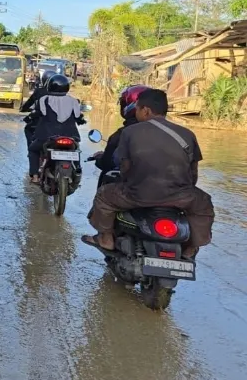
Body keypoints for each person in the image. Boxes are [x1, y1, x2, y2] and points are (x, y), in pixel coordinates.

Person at [83, 89, 214, 258]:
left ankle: (106, 238)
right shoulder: (187, 134)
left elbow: (125, 168)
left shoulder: (130, 132)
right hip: (181, 196)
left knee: (103, 196)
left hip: (138, 195)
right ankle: (191, 248)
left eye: (137, 109)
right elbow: (193, 173)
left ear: (146, 110)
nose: (136, 112)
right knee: (204, 205)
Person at [26, 74, 85, 183]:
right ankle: (77, 171)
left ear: (50, 86)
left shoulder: (44, 100)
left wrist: (30, 117)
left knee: (33, 149)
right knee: (76, 150)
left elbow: (38, 113)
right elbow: (78, 117)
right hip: (70, 136)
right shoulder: (73, 101)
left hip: (47, 136)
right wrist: (81, 120)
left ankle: (35, 176)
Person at [94, 85, 147, 186]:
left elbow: (107, 164)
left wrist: (98, 158)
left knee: (107, 176)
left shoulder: (121, 134)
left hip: (132, 191)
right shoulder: (169, 133)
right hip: (162, 191)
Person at [20, 73, 50, 145]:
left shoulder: (39, 91)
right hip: (60, 127)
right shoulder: (65, 97)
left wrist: (25, 110)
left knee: (28, 129)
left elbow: (33, 104)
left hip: (41, 121)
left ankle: (31, 148)